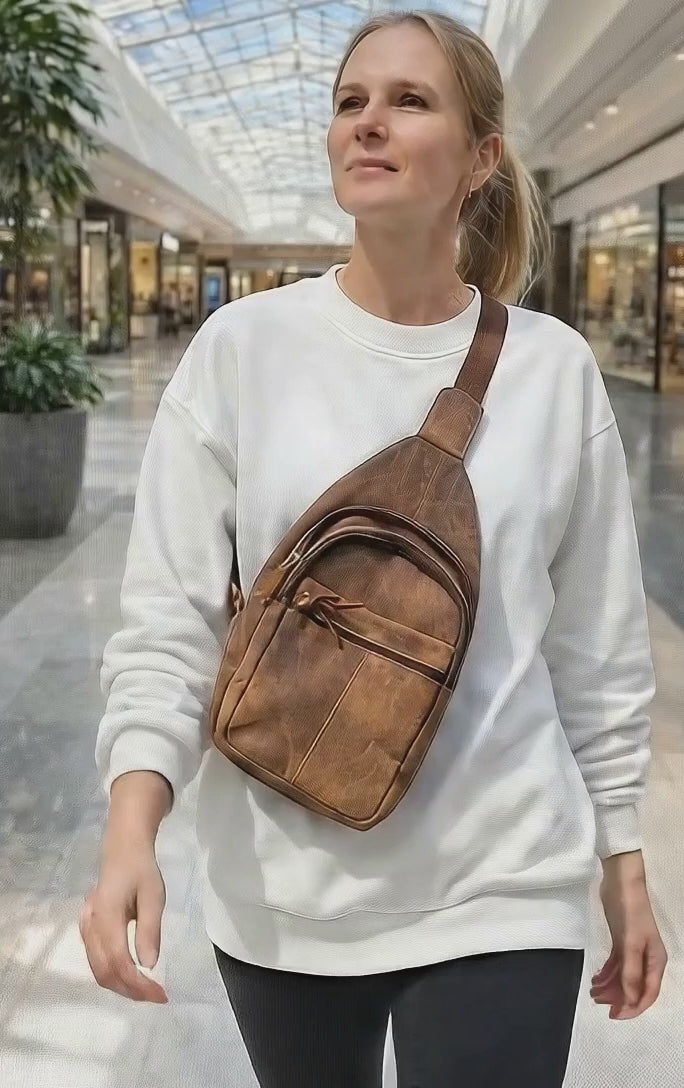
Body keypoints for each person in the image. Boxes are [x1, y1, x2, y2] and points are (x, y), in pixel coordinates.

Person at [80, 10, 668, 1087]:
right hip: (289, 888)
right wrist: (132, 826)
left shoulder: (552, 369)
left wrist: (623, 858)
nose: (369, 123)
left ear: (482, 156)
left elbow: (595, 648)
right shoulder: (242, 351)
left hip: (506, 878)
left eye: (409, 100)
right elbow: (171, 618)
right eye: (351, 101)